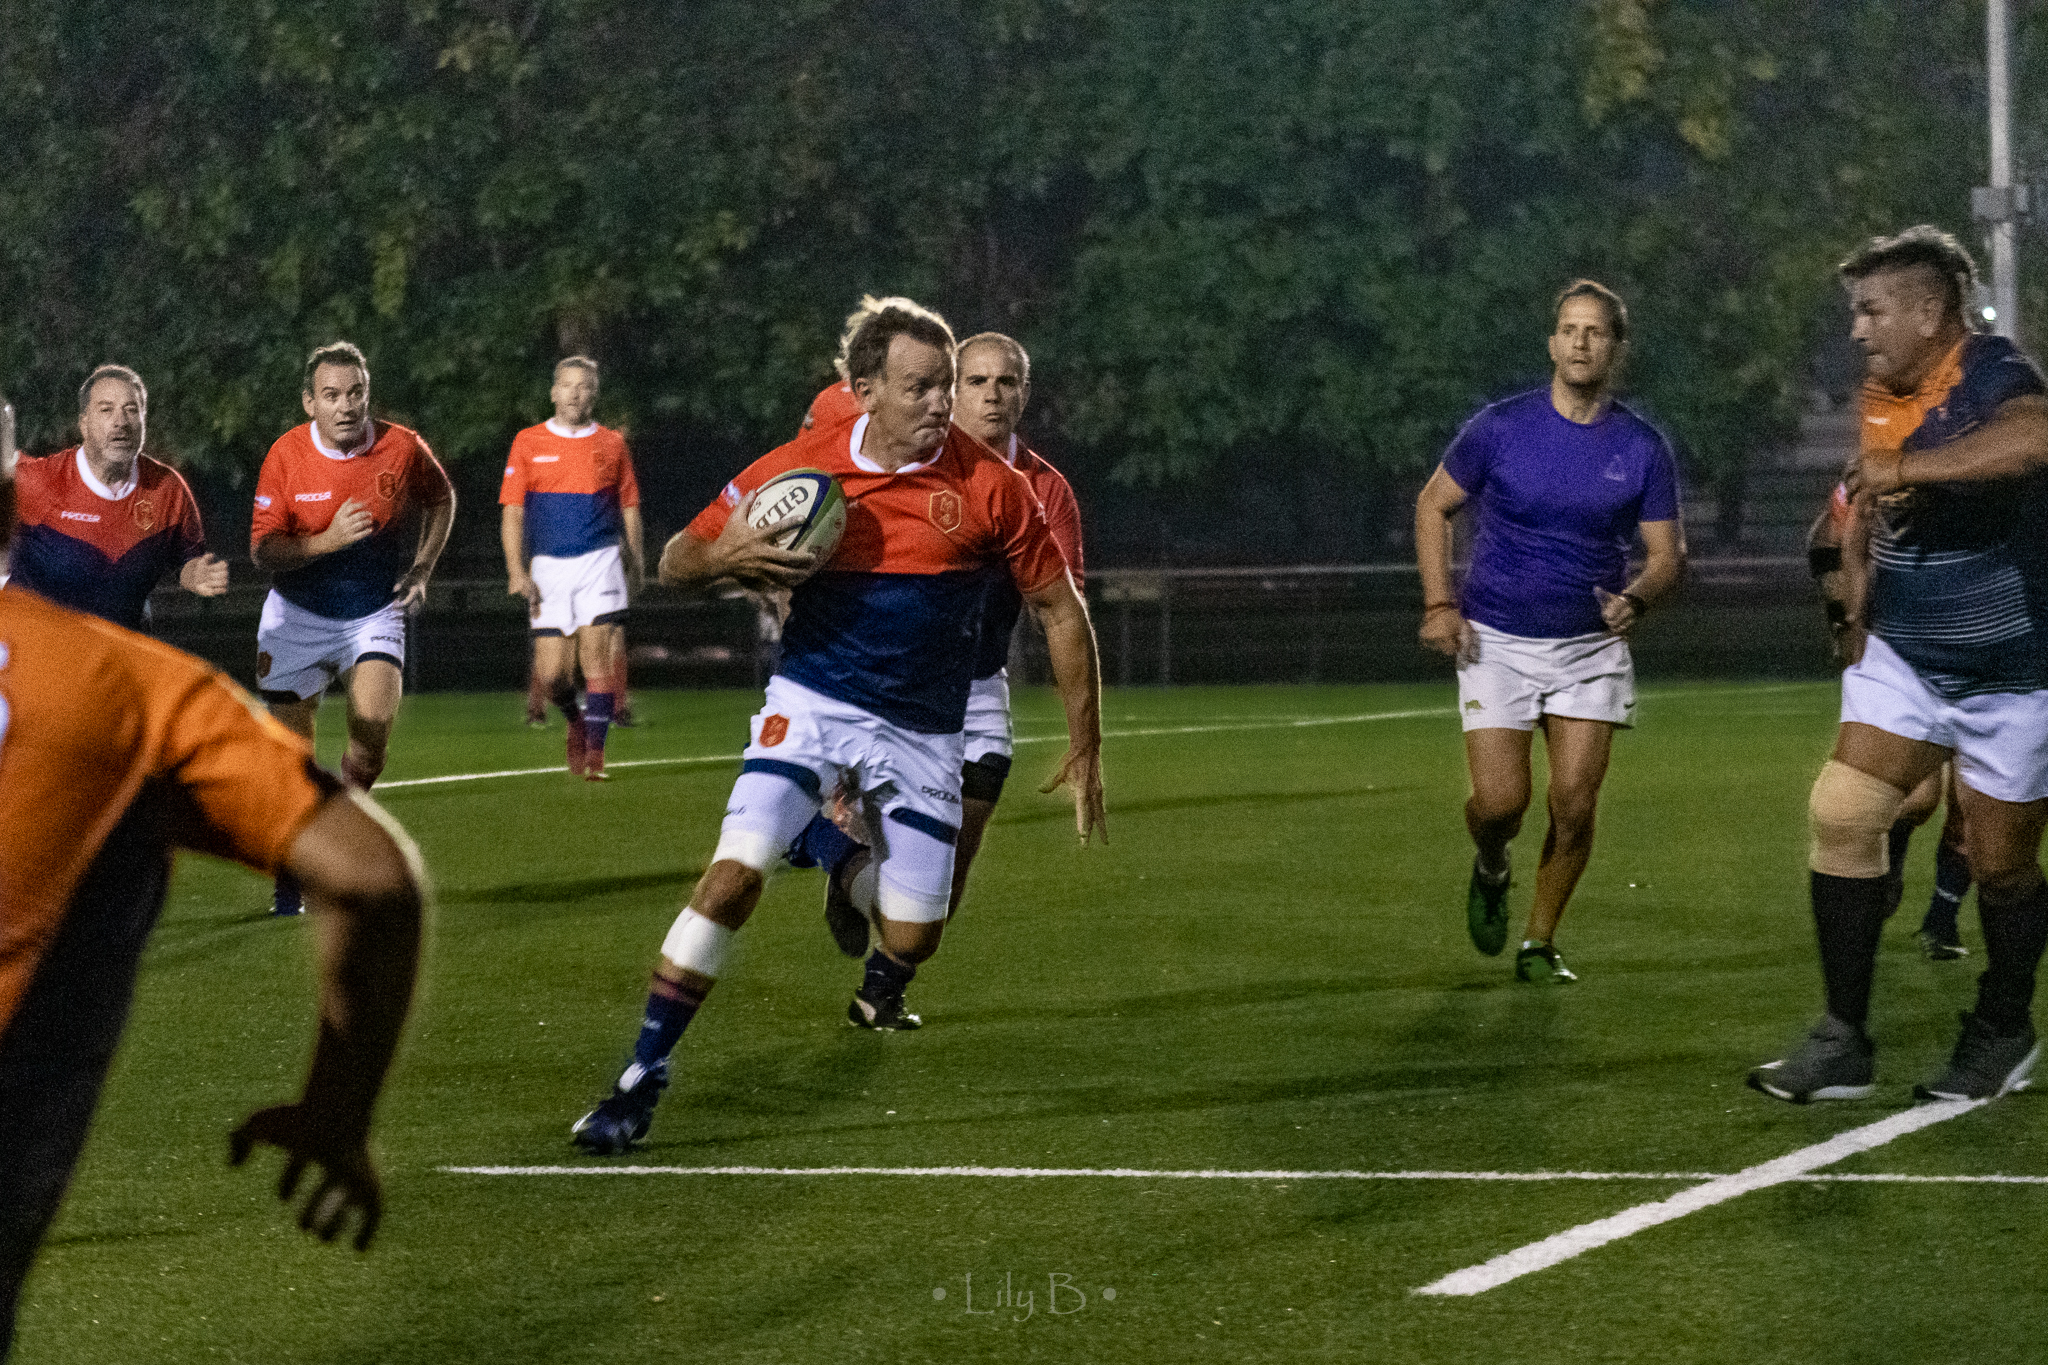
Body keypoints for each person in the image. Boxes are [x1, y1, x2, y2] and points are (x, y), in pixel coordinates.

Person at [570, 299, 1105, 1155]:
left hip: (926, 730)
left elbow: (1061, 611)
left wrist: (1087, 744)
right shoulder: (804, 467)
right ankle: (640, 1076)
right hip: (812, 703)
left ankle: (833, 853)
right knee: (732, 876)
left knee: (912, 934)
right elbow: (675, 558)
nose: (942, 404)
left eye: (946, 386)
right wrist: (726, 557)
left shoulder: (992, 488)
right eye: (922, 387)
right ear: (864, 391)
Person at [0, 448, 426, 1361]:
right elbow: (370, 877)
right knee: (121, 852)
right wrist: (336, 1117)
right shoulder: (129, 687)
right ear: (11, 512)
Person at [1749, 225, 2048, 1103]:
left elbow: (2035, 440)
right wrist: (1852, 600)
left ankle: (2003, 1025)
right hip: (1913, 658)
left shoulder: (1993, 372)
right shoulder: (1883, 391)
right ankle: (1845, 1037)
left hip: (2015, 667)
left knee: (2001, 867)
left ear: (1929, 312)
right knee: (1843, 813)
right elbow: (1868, 509)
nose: (1858, 329)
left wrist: (1915, 467)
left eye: (1872, 310)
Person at [1415, 280, 1685, 984]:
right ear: (1552, 343)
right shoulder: (1500, 428)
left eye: (1595, 331)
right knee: (1503, 803)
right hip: (1496, 640)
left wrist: (1639, 597)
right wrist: (1440, 603)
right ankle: (1492, 860)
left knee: (1574, 802)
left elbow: (1665, 557)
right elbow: (1433, 505)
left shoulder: (1642, 446)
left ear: (1616, 348)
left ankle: (1539, 940)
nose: (1580, 340)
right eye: (1569, 328)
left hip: (1589, 649)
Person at [794, 332, 1085, 960]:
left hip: (978, 684)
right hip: (887, 681)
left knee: (942, 890)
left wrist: (1083, 738)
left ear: (1024, 394)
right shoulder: (904, 464)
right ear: (952, 392)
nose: (991, 396)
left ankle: (876, 978)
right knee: (890, 873)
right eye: (975, 382)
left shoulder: (1046, 489)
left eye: (1006, 382)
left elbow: (1062, 610)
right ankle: (837, 857)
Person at [250, 342, 456, 915]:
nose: (346, 406)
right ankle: (296, 865)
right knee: (292, 759)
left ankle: (338, 832)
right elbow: (263, 551)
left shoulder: (401, 447)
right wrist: (326, 541)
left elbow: (441, 499)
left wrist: (421, 568)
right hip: (295, 618)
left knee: (369, 735)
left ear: (368, 394)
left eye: (356, 393)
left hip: (373, 612)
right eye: (332, 395)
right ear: (310, 402)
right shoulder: (286, 455)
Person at [1809, 487, 1972, 956]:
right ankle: (1893, 853)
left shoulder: (2003, 456)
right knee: (1917, 799)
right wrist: (1845, 621)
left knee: (1975, 811)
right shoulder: (1886, 464)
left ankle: (1941, 922)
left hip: (1991, 652)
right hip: (1903, 651)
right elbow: (1825, 539)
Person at [501, 356, 644, 779]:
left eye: (584, 386)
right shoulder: (528, 442)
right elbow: (512, 512)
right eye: (567, 385)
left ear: (594, 393)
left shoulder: (613, 444)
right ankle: (576, 722)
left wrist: (636, 562)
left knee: (596, 662)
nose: (575, 393)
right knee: (552, 676)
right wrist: (516, 570)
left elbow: (630, 508)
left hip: (600, 560)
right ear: (554, 392)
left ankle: (596, 758)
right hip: (548, 567)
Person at [7, 365, 228, 628]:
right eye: (106, 410)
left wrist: (197, 575)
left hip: (120, 658)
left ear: (143, 421)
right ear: (84, 424)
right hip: (39, 655)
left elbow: (187, 561)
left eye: (131, 410)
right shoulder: (36, 480)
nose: (120, 422)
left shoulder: (166, 489)